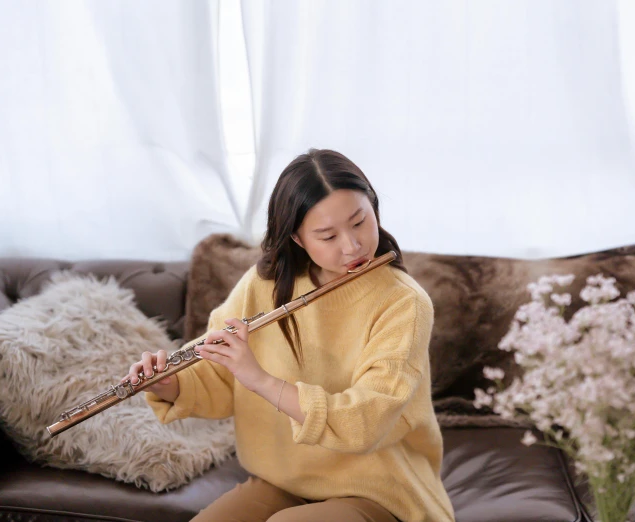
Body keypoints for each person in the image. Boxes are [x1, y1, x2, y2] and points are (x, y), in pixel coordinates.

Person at [125, 149, 455, 522]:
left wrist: (261, 380)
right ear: (297, 239)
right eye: (327, 235)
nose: (352, 246)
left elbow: (365, 421)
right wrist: (168, 384)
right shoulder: (263, 285)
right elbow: (218, 372)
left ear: (374, 208)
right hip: (283, 482)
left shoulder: (404, 303)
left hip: (377, 489)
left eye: (360, 222)